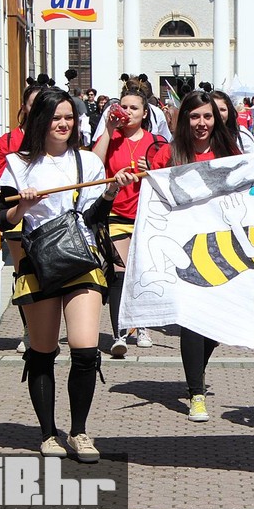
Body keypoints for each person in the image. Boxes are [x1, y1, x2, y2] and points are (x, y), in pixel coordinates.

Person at [0, 88, 137, 462]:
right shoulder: (17, 163)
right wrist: (21, 207)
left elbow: (93, 220)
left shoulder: (87, 162)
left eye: (69, 117)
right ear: (41, 120)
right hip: (37, 264)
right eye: (56, 117)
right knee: (42, 351)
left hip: (80, 260)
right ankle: (47, 434)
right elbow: (0, 218)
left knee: (85, 349)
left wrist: (108, 193)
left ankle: (79, 432)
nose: (63, 124)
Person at [149, 91, 242, 422]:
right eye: (194, 117)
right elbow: (154, 201)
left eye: (207, 116)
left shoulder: (229, 153)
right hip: (182, 250)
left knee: (216, 327)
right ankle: (196, 393)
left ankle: (195, 373)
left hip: (222, 249)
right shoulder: (168, 155)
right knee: (193, 320)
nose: (201, 123)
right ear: (183, 120)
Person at [93, 88, 164, 357]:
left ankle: (142, 325)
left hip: (146, 214)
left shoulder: (155, 142)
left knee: (143, 273)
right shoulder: (110, 138)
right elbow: (93, 164)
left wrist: (152, 171)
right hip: (116, 212)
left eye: (135, 108)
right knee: (119, 274)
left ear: (145, 113)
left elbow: (169, 174)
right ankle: (119, 333)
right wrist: (109, 130)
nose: (128, 111)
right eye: (124, 106)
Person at [0, 83, 46, 353]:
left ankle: (47, 325)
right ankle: (28, 329)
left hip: (47, 219)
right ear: (23, 107)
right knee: (24, 272)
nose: (36, 110)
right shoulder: (8, 142)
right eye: (32, 104)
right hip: (16, 216)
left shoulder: (56, 141)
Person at [211, 90, 254, 154]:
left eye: (222, 110)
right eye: (214, 109)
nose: (218, 114)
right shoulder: (201, 136)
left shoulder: (242, 136)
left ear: (229, 111)